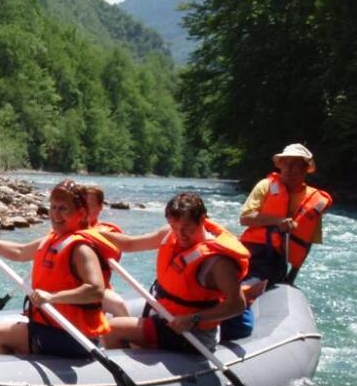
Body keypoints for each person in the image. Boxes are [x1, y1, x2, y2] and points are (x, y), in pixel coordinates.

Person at [0, 180, 117, 358]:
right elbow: (19, 252)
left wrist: (53, 297)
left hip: (74, 335)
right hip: (51, 325)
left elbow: (96, 291)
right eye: (53, 207)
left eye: (63, 208)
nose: (56, 214)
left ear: (81, 212)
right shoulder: (53, 239)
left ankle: (19, 378)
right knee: (4, 332)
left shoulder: (81, 249)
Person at [101, 192, 249, 352]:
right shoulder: (170, 233)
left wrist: (193, 319)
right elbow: (130, 244)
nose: (180, 234)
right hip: (165, 317)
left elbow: (237, 305)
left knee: (111, 328)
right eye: (175, 227)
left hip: (193, 333)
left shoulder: (217, 262)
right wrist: (90, 234)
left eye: (187, 228)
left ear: (202, 220)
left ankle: (121, 371)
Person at [239, 143, 333, 286]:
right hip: (251, 251)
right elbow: (245, 218)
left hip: (277, 260)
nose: (288, 168)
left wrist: (292, 276)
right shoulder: (265, 186)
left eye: (294, 164)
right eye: (285, 163)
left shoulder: (314, 202)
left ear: (305, 168)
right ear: (280, 165)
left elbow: (306, 243)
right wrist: (278, 221)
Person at [85, 185, 130, 317]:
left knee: (119, 305)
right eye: (82, 204)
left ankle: (125, 335)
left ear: (100, 207)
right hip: (66, 287)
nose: (85, 209)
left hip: (95, 289)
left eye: (90, 205)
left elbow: (115, 253)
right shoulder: (64, 229)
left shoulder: (109, 232)